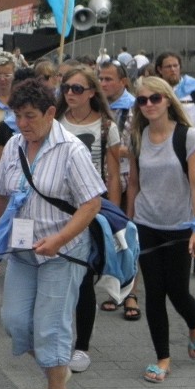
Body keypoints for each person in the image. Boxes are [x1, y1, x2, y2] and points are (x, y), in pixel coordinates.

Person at [0, 78, 105, 389]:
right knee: (15, 321)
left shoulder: (72, 150)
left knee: (51, 326)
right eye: (17, 116)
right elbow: (0, 194)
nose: (22, 124)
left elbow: (91, 204)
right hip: (22, 249)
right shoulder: (14, 146)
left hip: (63, 251)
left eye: (30, 116)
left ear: (51, 113)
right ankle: (58, 371)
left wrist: (59, 239)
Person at [126, 78, 195, 383]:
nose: (148, 104)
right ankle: (163, 358)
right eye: (142, 100)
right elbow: (133, 183)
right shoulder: (137, 135)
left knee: (178, 291)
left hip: (179, 225)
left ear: (168, 100)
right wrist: (129, 224)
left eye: (154, 98)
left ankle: (194, 322)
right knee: (155, 293)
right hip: (146, 223)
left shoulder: (187, 136)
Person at [56, 66, 122, 373]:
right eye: (67, 87)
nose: (70, 93)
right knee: (57, 276)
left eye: (77, 89)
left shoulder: (107, 126)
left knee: (84, 279)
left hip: (90, 209)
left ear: (92, 93)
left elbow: (113, 176)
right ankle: (57, 339)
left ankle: (81, 346)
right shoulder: (54, 120)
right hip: (55, 208)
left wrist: (114, 217)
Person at [98, 59, 142, 320]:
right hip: (100, 180)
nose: (103, 84)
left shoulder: (135, 107)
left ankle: (131, 293)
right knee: (107, 239)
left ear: (123, 82)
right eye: (100, 79)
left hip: (127, 178)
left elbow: (137, 147)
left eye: (108, 79)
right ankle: (112, 289)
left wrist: (110, 147)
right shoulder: (97, 107)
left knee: (127, 238)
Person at [155, 51, 195, 126]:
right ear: (160, 69)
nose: (173, 69)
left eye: (175, 66)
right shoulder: (154, 90)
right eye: (168, 66)